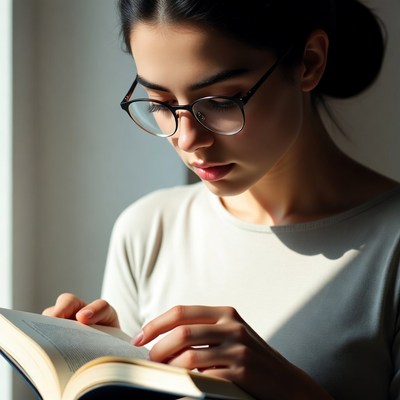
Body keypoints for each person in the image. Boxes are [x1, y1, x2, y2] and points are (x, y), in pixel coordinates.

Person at [43, 0, 400, 399]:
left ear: (309, 63)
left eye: (220, 101)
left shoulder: (392, 247)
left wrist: (289, 390)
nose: (187, 139)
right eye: (160, 103)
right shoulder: (147, 230)